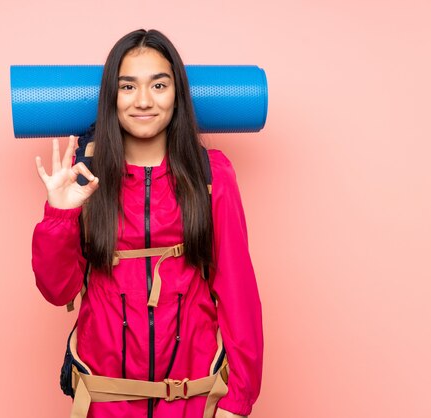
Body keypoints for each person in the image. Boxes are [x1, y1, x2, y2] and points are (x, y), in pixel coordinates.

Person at [32, 29, 263, 418]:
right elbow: (58, 291)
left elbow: (239, 293)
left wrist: (238, 401)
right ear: (112, 97)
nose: (143, 101)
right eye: (128, 86)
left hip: (195, 400)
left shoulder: (213, 174)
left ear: (178, 94)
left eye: (159, 84)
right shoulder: (84, 178)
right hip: (105, 402)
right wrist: (60, 213)